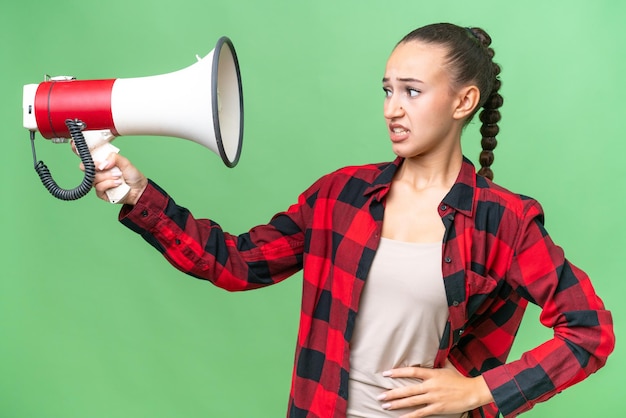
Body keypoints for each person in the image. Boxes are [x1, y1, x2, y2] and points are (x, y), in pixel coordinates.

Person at [88, 23, 614, 418]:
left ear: (464, 101)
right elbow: (237, 264)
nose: (392, 108)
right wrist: (138, 192)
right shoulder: (342, 195)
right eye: (387, 90)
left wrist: (479, 391)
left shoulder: (505, 222)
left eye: (412, 91)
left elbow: (590, 332)